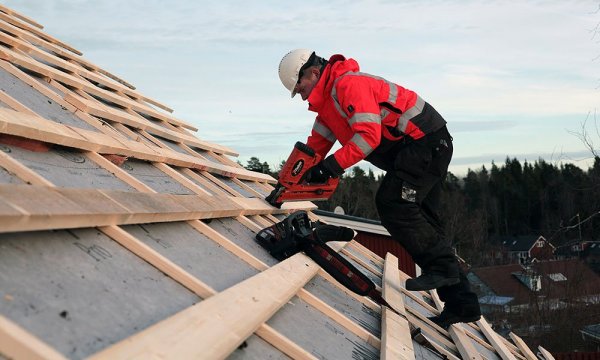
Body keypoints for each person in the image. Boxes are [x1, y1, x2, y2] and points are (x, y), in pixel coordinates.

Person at [277, 49, 481, 328]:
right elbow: (314, 148)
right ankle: (463, 304)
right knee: (424, 220)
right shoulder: (328, 108)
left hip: (426, 143)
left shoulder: (348, 85)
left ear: (312, 73)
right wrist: (288, 181)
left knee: (394, 203)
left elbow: (368, 137)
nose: (300, 96)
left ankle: (443, 270)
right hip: (421, 148)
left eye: (299, 88)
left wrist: (330, 168)